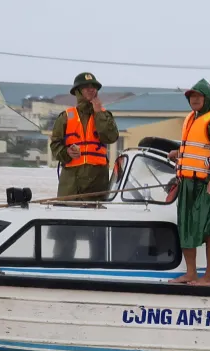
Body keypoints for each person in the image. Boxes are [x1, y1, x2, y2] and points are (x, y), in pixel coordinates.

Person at [166, 79, 210, 286]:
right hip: (186, 183)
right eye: (191, 96)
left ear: (207, 98)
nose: (194, 99)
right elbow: (196, 146)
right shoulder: (191, 118)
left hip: (206, 184)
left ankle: (209, 277)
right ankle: (191, 274)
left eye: (198, 96)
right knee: (185, 228)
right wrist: (178, 154)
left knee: (207, 229)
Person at [47, 72, 119, 261]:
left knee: (98, 236)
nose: (91, 89)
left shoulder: (104, 115)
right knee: (64, 235)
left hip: (97, 184)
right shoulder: (65, 117)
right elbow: (55, 145)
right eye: (87, 87)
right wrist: (66, 152)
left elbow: (110, 137)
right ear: (78, 91)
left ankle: (100, 273)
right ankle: (60, 270)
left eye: (94, 87)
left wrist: (98, 112)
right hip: (71, 184)